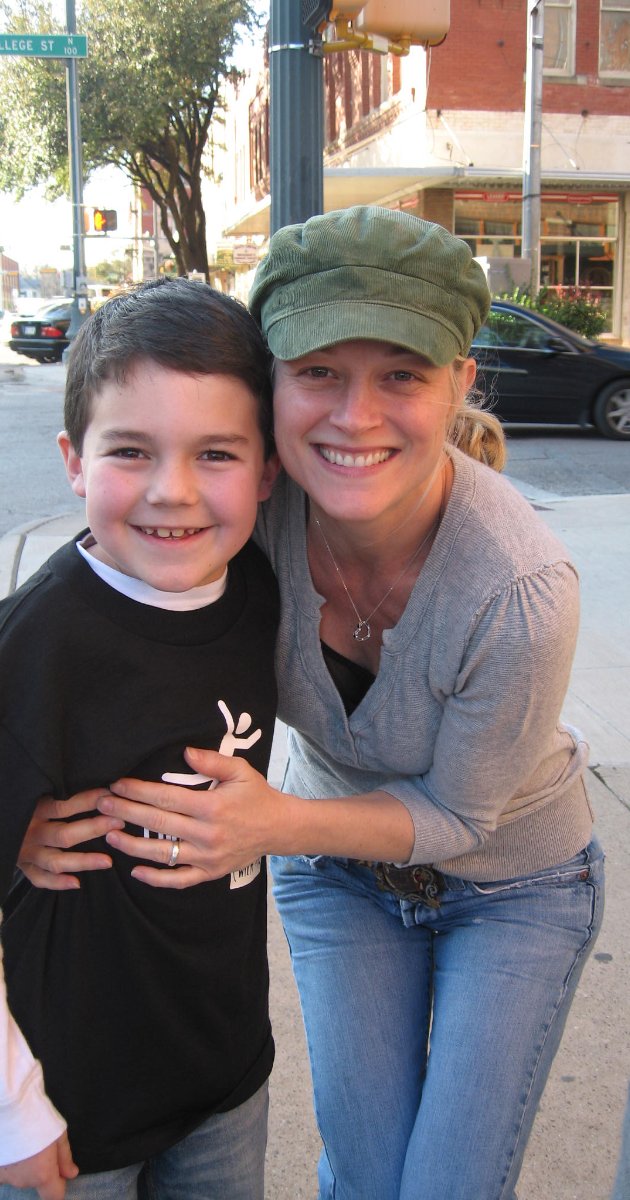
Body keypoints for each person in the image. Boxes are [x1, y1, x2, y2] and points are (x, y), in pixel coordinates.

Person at [18, 208, 604, 1200]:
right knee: (366, 1178)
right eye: (320, 371)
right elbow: (105, 621)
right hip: (338, 872)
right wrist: (32, 810)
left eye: (402, 376)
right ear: (272, 390)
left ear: (461, 381)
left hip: (511, 882)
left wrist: (273, 824)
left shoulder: (519, 590)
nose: (355, 417)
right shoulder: (243, 508)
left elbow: (460, 817)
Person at [0, 277, 279, 1200]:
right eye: (130, 450)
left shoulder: (256, 589)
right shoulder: (34, 648)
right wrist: (13, 1110)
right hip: (72, 1108)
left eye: (217, 453)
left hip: (225, 1073)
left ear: (268, 470)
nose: (173, 491)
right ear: (73, 461)